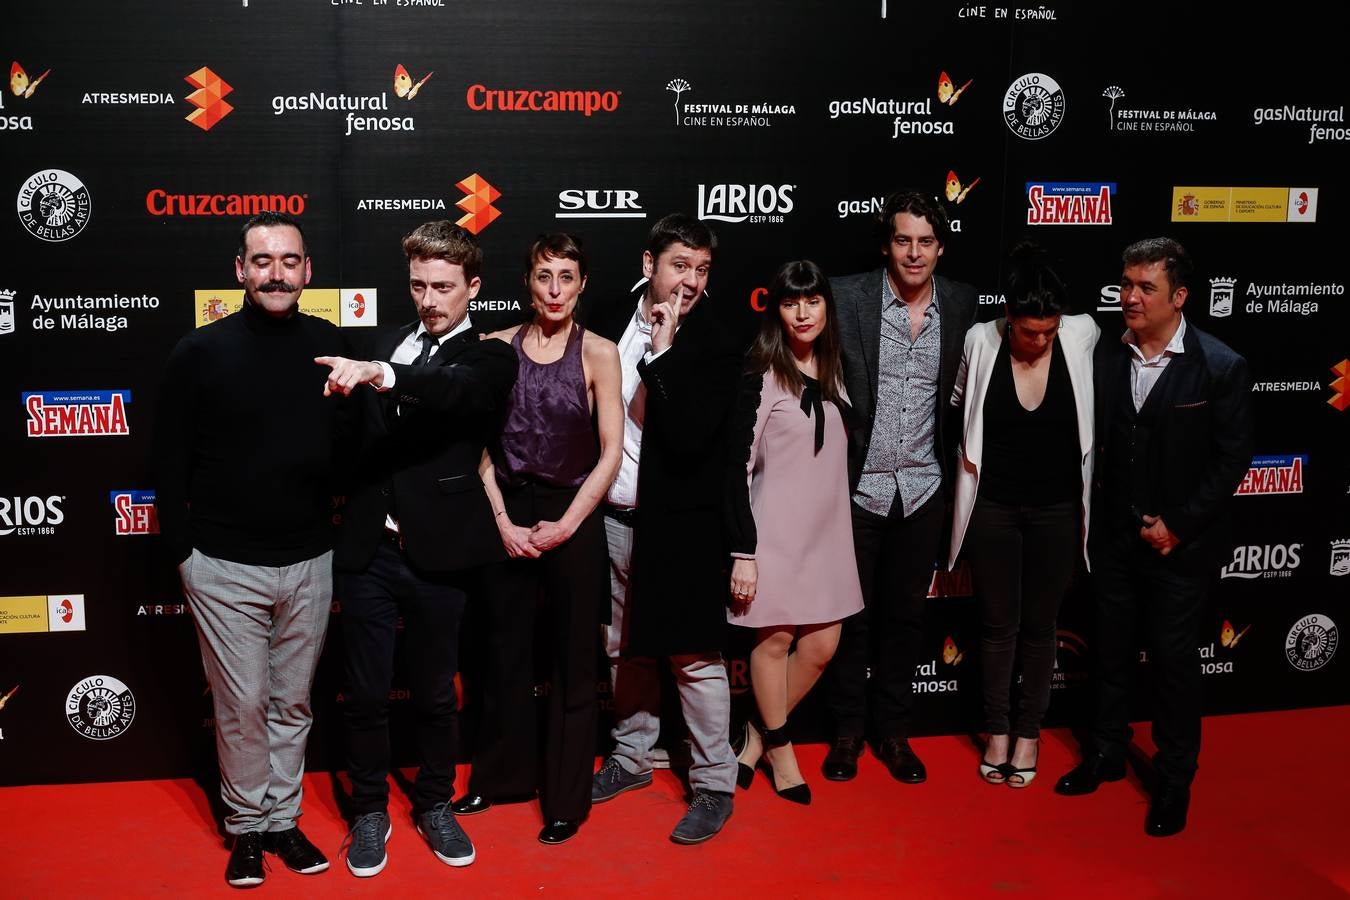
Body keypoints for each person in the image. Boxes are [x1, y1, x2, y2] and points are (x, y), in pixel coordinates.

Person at [315, 221, 517, 875]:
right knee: (366, 692)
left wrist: (382, 374)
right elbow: (355, 445)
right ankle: (370, 811)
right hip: (370, 549)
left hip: (443, 551)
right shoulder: (385, 343)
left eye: (443, 287)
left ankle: (435, 804)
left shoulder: (487, 359)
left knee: (434, 693)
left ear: (473, 287)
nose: (429, 299)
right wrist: (345, 401)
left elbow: (453, 393)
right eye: (418, 284)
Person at [153, 211, 343, 887]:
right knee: (243, 704)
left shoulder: (328, 347)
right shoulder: (199, 351)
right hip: (222, 565)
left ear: (307, 272)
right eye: (262, 261)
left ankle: (282, 822)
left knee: (293, 702)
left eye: (289, 261)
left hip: (309, 561)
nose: (276, 273)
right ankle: (245, 829)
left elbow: (355, 450)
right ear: (240, 271)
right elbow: (166, 461)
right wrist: (185, 555)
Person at [1054, 237, 1253, 837]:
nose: (1130, 298)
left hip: (1180, 550)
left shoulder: (1220, 366)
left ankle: (1173, 779)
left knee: (1172, 665)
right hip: (1114, 540)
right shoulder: (1106, 356)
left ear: (1180, 296)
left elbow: (1231, 462)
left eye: (1145, 288)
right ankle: (1106, 754)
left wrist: (1179, 525)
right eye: (1126, 285)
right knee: (1109, 652)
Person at [450, 234, 622, 845]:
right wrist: (502, 521)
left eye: (566, 277)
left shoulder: (599, 352)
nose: (554, 289)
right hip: (508, 514)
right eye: (544, 276)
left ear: (582, 285)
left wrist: (569, 524)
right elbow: (480, 451)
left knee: (574, 665)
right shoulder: (496, 349)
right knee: (503, 656)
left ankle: (565, 801)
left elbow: (611, 453)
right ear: (528, 281)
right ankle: (499, 779)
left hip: (572, 515)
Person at [586, 214, 741, 844]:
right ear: (649, 263)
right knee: (622, 645)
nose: (692, 282)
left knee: (694, 657)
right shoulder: (604, 314)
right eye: (681, 266)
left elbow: (696, 435)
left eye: (703, 270)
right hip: (611, 518)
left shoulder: (715, 339)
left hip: (679, 527)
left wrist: (665, 351)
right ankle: (631, 758)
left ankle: (713, 783)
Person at [822, 190, 977, 782]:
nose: (914, 253)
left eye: (926, 241)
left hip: (924, 487)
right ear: (887, 244)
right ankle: (845, 733)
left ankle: (892, 732)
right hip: (856, 486)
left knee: (906, 618)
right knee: (850, 616)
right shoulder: (846, 296)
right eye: (903, 240)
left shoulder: (962, 306)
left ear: (941, 246)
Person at [947, 242, 1100, 788]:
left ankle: (1030, 731)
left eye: (1048, 332)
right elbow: (961, 404)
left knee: (1041, 627)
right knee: (996, 626)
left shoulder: (1081, 334)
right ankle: (997, 730)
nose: (1038, 341)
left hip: (1059, 510)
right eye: (1028, 331)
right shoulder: (980, 340)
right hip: (993, 508)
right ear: (1008, 316)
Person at [725, 260, 864, 804]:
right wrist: (744, 550)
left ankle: (755, 739)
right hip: (773, 533)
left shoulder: (838, 369)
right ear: (776, 311)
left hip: (828, 534)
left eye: (812, 301)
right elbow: (735, 467)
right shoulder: (761, 374)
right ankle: (781, 750)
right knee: (775, 639)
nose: (803, 312)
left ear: (827, 306)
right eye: (790, 302)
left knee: (823, 643)